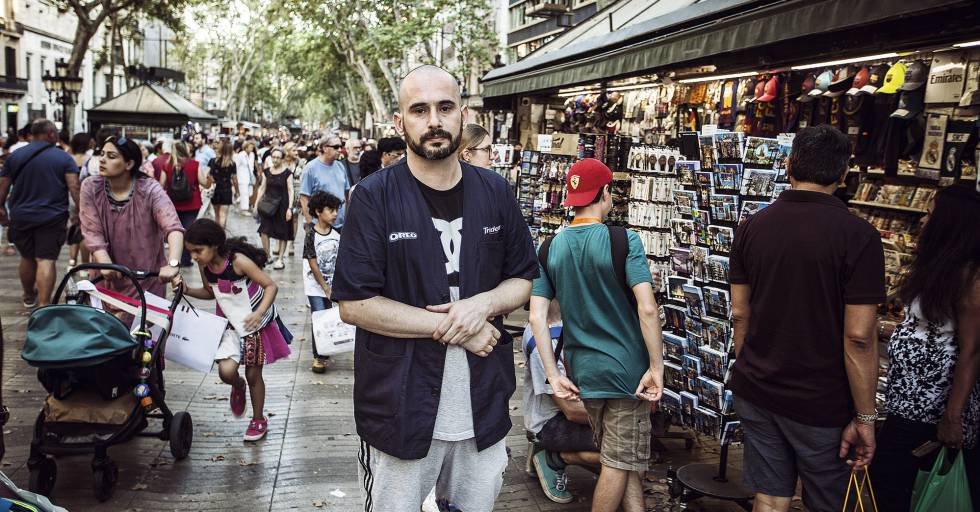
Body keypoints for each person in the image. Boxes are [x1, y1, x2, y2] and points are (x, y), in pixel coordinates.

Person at [333, 65, 538, 511]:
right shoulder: (373, 196)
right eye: (419, 109)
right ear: (398, 121)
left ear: (462, 114)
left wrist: (480, 306)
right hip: (400, 406)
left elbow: (523, 277)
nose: (433, 121)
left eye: (445, 107)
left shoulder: (496, 191)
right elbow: (354, 304)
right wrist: (459, 326)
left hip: (482, 405)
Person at [728, 125, 884, 512]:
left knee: (769, 496)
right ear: (844, 173)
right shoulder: (860, 236)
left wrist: (754, 370)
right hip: (821, 401)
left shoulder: (751, 228)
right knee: (828, 501)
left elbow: (739, 312)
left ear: (789, 164)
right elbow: (860, 337)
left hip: (758, 389)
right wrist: (866, 416)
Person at [529, 158, 663, 512]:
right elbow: (647, 309)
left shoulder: (548, 247)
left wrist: (553, 374)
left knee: (618, 452)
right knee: (618, 461)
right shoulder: (624, 240)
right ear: (605, 193)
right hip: (626, 372)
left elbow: (537, 317)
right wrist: (656, 367)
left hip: (582, 371)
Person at [871, 184, 980, 510]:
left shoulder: (971, 278)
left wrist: (953, 415)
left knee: (901, 486)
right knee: (891, 484)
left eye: (931, 212)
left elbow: (973, 352)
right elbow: (927, 327)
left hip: (932, 412)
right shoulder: (938, 269)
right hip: (906, 405)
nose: (923, 218)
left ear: (950, 223)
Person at [176, 218, 292, 442]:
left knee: (253, 374)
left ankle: (258, 419)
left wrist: (258, 313)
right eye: (191, 252)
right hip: (230, 325)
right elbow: (211, 293)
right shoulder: (205, 265)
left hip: (254, 325)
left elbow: (271, 286)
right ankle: (237, 386)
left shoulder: (238, 262)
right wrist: (187, 290)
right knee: (226, 371)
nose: (194, 257)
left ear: (214, 245)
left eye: (198, 251)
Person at [78, 135, 183, 301]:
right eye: (102, 154)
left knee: (144, 326)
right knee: (104, 325)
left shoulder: (150, 189)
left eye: (111, 156)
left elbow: (173, 227)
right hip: (105, 276)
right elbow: (91, 230)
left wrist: (173, 263)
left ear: (129, 164)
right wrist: (105, 262)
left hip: (146, 278)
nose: (103, 160)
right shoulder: (90, 187)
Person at [522, 299, 600, 504]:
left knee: (631, 444)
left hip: (586, 408)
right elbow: (571, 411)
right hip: (550, 422)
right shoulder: (542, 339)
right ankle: (553, 459)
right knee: (620, 448)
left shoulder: (575, 320)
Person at [0, 119, 80, 308]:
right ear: (51, 134)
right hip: (52, 217)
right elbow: (74, 187)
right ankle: (44, 305)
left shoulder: (15, 156)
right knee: (45, 259)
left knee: (27, 257)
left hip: (21, 215)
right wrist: (81, 211)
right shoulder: (64, 158)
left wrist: (1, 207)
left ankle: (28, 296)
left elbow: (3, 186)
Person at [303, 191, 342, 374]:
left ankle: (326, 350)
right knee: (318, 317)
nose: (335, 214)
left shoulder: (337, 234)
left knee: (329, 316)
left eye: (336, 210)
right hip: (315, 286)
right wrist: (325, 288)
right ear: (318, 211)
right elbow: (313, 263)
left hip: (333, 285)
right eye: (331, 210)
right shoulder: (311, 235)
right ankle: (318, 356)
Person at [157, 141, 208, 267]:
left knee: (175, 230)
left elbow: (161, 185)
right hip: (192, 203)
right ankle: (185, 259)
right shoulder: (195, 164)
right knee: (187, 230)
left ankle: (175, 258)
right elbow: (203, 182)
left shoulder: (167, 165)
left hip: (172, 203)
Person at [254, 148, 294, 270]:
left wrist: (290, 208)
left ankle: (280, 259)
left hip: (282, 205)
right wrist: (256, 204)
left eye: (278, 157)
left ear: (282, 159)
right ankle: (268, 255)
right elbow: (262, 188)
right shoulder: (267, 172)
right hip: (268, 206)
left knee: (283, 232)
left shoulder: (287, 173)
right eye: (274, 157)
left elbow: (290, 190)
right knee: (263, 231)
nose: (275, 159)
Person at [300, 137, 349, 232]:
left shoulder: (340, 166)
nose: (340, 150)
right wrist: (310, 223)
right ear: (325, 148)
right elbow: (304, 198)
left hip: (340, 225)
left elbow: (346, 194)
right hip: (320, 226)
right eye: (336, 147)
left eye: (341, 146)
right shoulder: (311, 168)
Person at [66, 132, 93, 268]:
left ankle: (72, 261)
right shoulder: (89, 159)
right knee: (84, 231)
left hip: (70, 198)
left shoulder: (68, 158)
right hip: (86, 198)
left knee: (74, 227)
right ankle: (84, 264)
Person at [209, 139, 239, 228]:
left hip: (215, 189)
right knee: (223, 215)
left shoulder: (213, 161)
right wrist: (237, 191)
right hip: (226, 189)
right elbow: (234, 179)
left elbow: (209, 175)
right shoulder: (232, 164)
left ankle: (217, 235)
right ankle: (222, 235)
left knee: (217, 215)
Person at [193, 132, 217, 219]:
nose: (194, 140)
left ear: (203, 140)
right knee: (210, 209)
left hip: (207, 183)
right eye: (194, 138)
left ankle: (195, 226)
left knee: (202, 207)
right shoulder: (197, 152)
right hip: (200, 182)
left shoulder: (209, 151)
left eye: (197, 138)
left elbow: (215, 165)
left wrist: (209, 180)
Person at [235, 140, 257, 211]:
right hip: (242, 177)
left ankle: (239, 200)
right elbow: (236, 166)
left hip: (250, 177)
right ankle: (244, 209)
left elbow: (252, 166)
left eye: (252, 147)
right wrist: (236, 177)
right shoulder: (241, 155)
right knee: (244, 194)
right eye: (250, 147)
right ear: (246, 147)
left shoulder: (252, 155)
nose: (251, 149)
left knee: (249, 193)